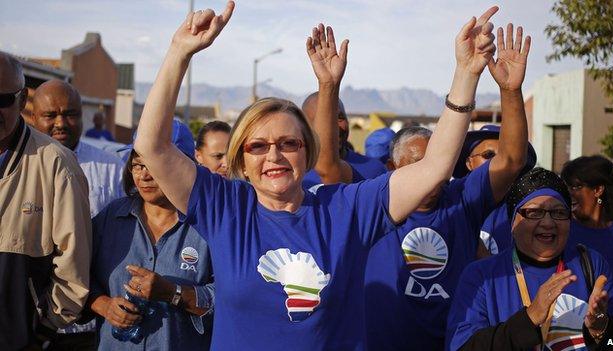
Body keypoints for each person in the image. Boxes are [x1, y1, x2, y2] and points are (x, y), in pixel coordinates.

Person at [132, 2, 495, 348]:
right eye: (257, 146)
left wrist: (466, 72)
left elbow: (434, 168)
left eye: (288, 143)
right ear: (241, 161)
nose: (274, 155)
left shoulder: (347, 208)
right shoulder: (226, 208)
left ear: (307, 152)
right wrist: (179, 52)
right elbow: (152, 146)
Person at [365, 22, 531, 351]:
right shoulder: (371, 206)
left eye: (435, 164)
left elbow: (511, 160)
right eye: (416, 165)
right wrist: (329, 86)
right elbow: (327, 166)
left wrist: (510, 92)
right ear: (391, 169)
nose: (429, 175)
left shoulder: (462, 200)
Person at [446, 168, 613, 351]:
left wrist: (601, 329)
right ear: (513, 221)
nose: (548, 223)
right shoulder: (481, 276)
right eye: (534, 213)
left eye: (559, 212)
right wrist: (529, 318)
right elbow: (461, 347)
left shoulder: (592, 264)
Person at [88, 126, 214, 350]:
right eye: (137, 164)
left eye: (154, 164)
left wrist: (174, 294)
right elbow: (77, 276)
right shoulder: (111, 218)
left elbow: (229, 301)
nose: (144, 175)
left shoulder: (208, 226)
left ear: (184, 166)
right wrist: (103, 305)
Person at [0, 52, 92, 349]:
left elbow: (73, 263)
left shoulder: (56, 163)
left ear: (22, 98)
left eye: (2, 101)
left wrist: (41, 329)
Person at [32, 80, 125, 218]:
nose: (60, 124)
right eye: (50, 116)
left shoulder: (113, 169)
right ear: (34, 119)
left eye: (70, 114)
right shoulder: (16, 168)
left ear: (81, 115)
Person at [456, 124, 538, 255]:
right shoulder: (451, 204)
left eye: (504, 158)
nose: (497, 162)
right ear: (469, 163)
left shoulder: (528, 209)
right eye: (489, 155)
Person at [562, 155, 613, 292]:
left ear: (597, 190)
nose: (569, 193)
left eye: (576, 187)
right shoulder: (561, 231)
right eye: (567, 187)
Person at [300, 92, 387, 189]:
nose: (334, 127)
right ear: (305, 128)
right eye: (323, 122)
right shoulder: (294, 174)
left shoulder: (375, 170)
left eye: (339, 118)